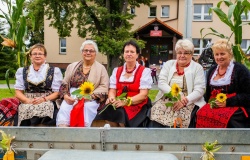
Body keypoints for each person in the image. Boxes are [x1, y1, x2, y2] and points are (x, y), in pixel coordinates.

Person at [92, 40, 153, 127]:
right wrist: (111, 98)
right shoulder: (117, 70)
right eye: (126, 51)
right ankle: (107, 135)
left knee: (120, 113)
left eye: (132, 52)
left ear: (137, 55)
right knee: (104, 113)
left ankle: (121, 136)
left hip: (136, 104)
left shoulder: (144, 71)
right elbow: (112, 89)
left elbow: (143, 95)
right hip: (118, 102)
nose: (129, 54)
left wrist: (126, 101)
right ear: (123, 54)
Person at [148, 39, 206, 128]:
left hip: (189, 101)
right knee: (156, 113)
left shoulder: (197, 68)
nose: (182, 55)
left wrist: (184, 101)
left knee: (180, 117)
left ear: (191, 54)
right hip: (168, 98)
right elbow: (161, 83)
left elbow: (200, 90)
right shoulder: (169, 64)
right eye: (179, 53)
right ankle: (157, 140)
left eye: (186, 53)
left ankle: (177, 141)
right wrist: (176, 95)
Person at [196, 39, 250, 128]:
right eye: (216, 54)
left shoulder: (240, 70)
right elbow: (208, 95)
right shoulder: (212, 70)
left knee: (229, 118)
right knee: (200, 113)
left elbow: (248, 95)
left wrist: (228, 102)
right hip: (215, 106)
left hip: (235, 106)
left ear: (230, 54)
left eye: (222, 54)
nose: (219, 57)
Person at [56, 40, 109, 127]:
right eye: (85, 50)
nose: (88, 53)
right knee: (65, 108)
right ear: (82, 52)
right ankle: (64, 134)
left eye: (91, 51)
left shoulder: (101, 68)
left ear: (95, 53)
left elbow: (104, 86)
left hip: (91, 97)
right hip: (72, 96)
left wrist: (89, 97)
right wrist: (66, 96)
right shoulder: (72, 66)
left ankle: (82, 134)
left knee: (86, 108)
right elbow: (64, 84)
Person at [14, 44, 63, 126]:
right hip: (28, 101)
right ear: (30, 56)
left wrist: (44, 99)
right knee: (25, 109)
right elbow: (18, 92)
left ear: (45, 56)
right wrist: (27, 101)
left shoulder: (54, 71)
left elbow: (57, 92)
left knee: (46, 109)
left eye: (40, 54)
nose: (37, 56)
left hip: (48, 100)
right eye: (34, 54)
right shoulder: (22, 71)